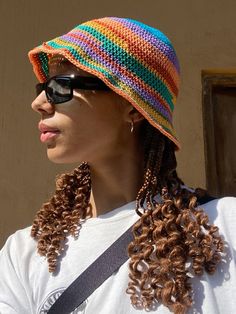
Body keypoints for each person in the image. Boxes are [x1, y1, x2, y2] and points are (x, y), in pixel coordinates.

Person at [0, 17, 235, 314]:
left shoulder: (225, 228)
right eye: (42, 87)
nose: (39, 103)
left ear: (132, 107)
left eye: (60, 87)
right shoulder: (25, 254)